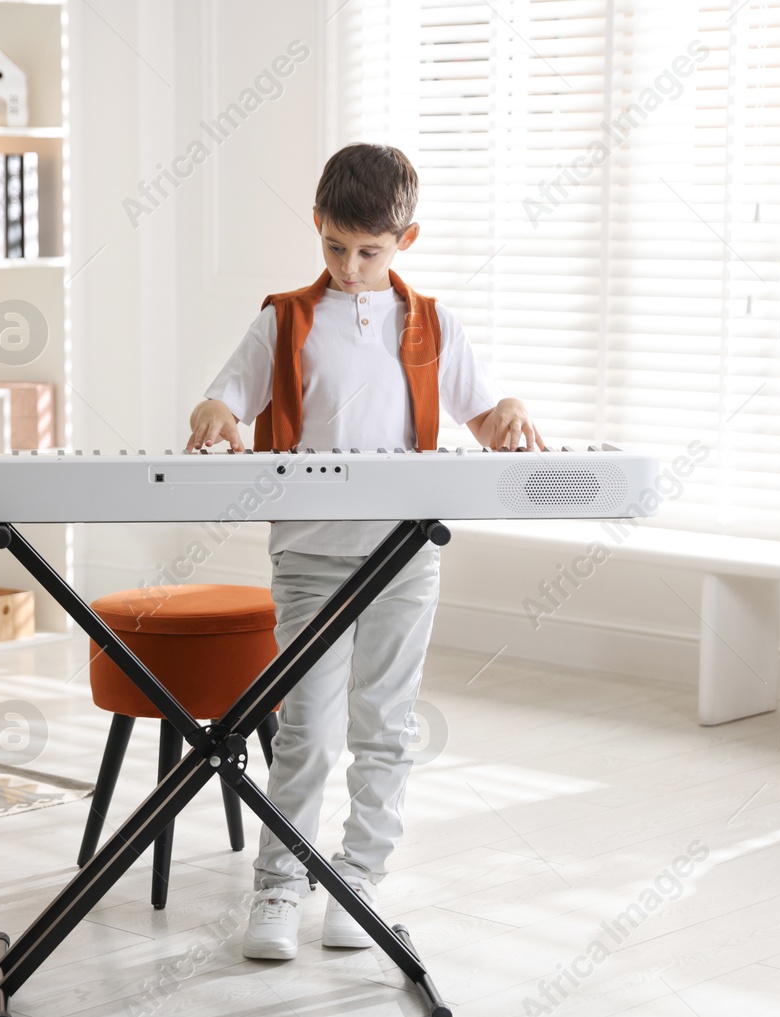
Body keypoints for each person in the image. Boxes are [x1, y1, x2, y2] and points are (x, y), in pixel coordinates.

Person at [186, 142, 543, 959]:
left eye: (369, 252)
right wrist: (215, 414)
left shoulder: (433, 323)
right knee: (308, 726)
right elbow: (226, 399)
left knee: (385, 724)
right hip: (310, 556)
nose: (350, 266)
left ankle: (358, 879)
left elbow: (483, 418)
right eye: (336, 246)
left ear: (405, 241)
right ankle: (281, 884)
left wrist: (510, 408)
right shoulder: (284, 317)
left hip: (404, 559)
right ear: (317, 226)